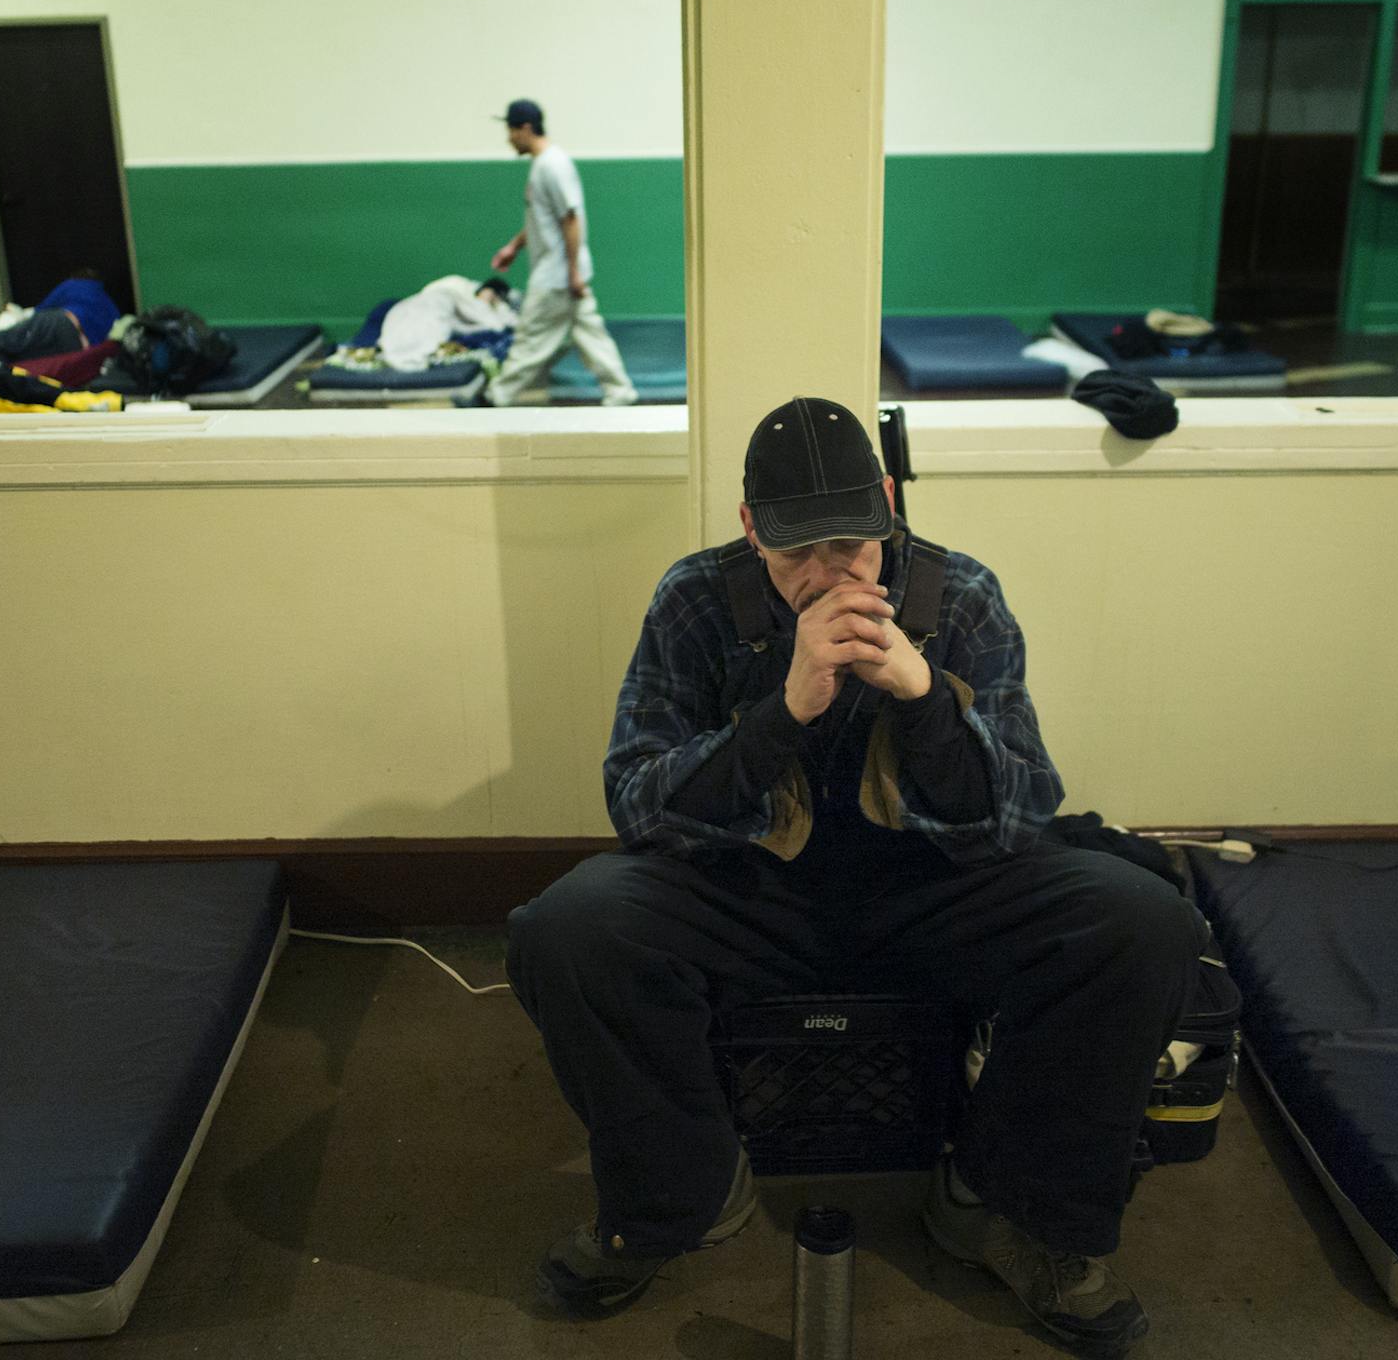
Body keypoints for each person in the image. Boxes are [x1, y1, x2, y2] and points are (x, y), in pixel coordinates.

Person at [506, 396, 1205, 1358]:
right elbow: (638, 802)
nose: (828, 574)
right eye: (797, 551)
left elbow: (1020, 809)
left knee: (1140, 921)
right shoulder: (696, 598)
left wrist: (920, 698)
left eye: (852, 543)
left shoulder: (958, 596)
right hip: (751, 891)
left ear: (886, 504)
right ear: (752, 529)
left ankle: (1008, 1207)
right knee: (568, 928)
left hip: (930, 886)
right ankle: (681, 1192)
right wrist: (779, 714)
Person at [482, 100, 636, 407]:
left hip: (556, 275)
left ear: (525, 129)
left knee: (530, 339)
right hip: (562, 270)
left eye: (510, 131)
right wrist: (515, 246)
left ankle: (496, 397)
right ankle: (621, 391)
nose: (508, 138)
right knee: (591, 334)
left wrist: (573, 272)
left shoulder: (552, 165)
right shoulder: (544, 164)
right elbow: (547, 221)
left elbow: (570, 219)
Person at [379, 275, 517, 372]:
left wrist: (496, 305)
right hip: (428, 301)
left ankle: (409, 346)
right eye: (488, 292)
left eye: (494, 296)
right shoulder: (458, 289)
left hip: (442, 309)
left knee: (428, 324)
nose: (489, 296)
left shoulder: (487, 306)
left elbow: (499, 322)